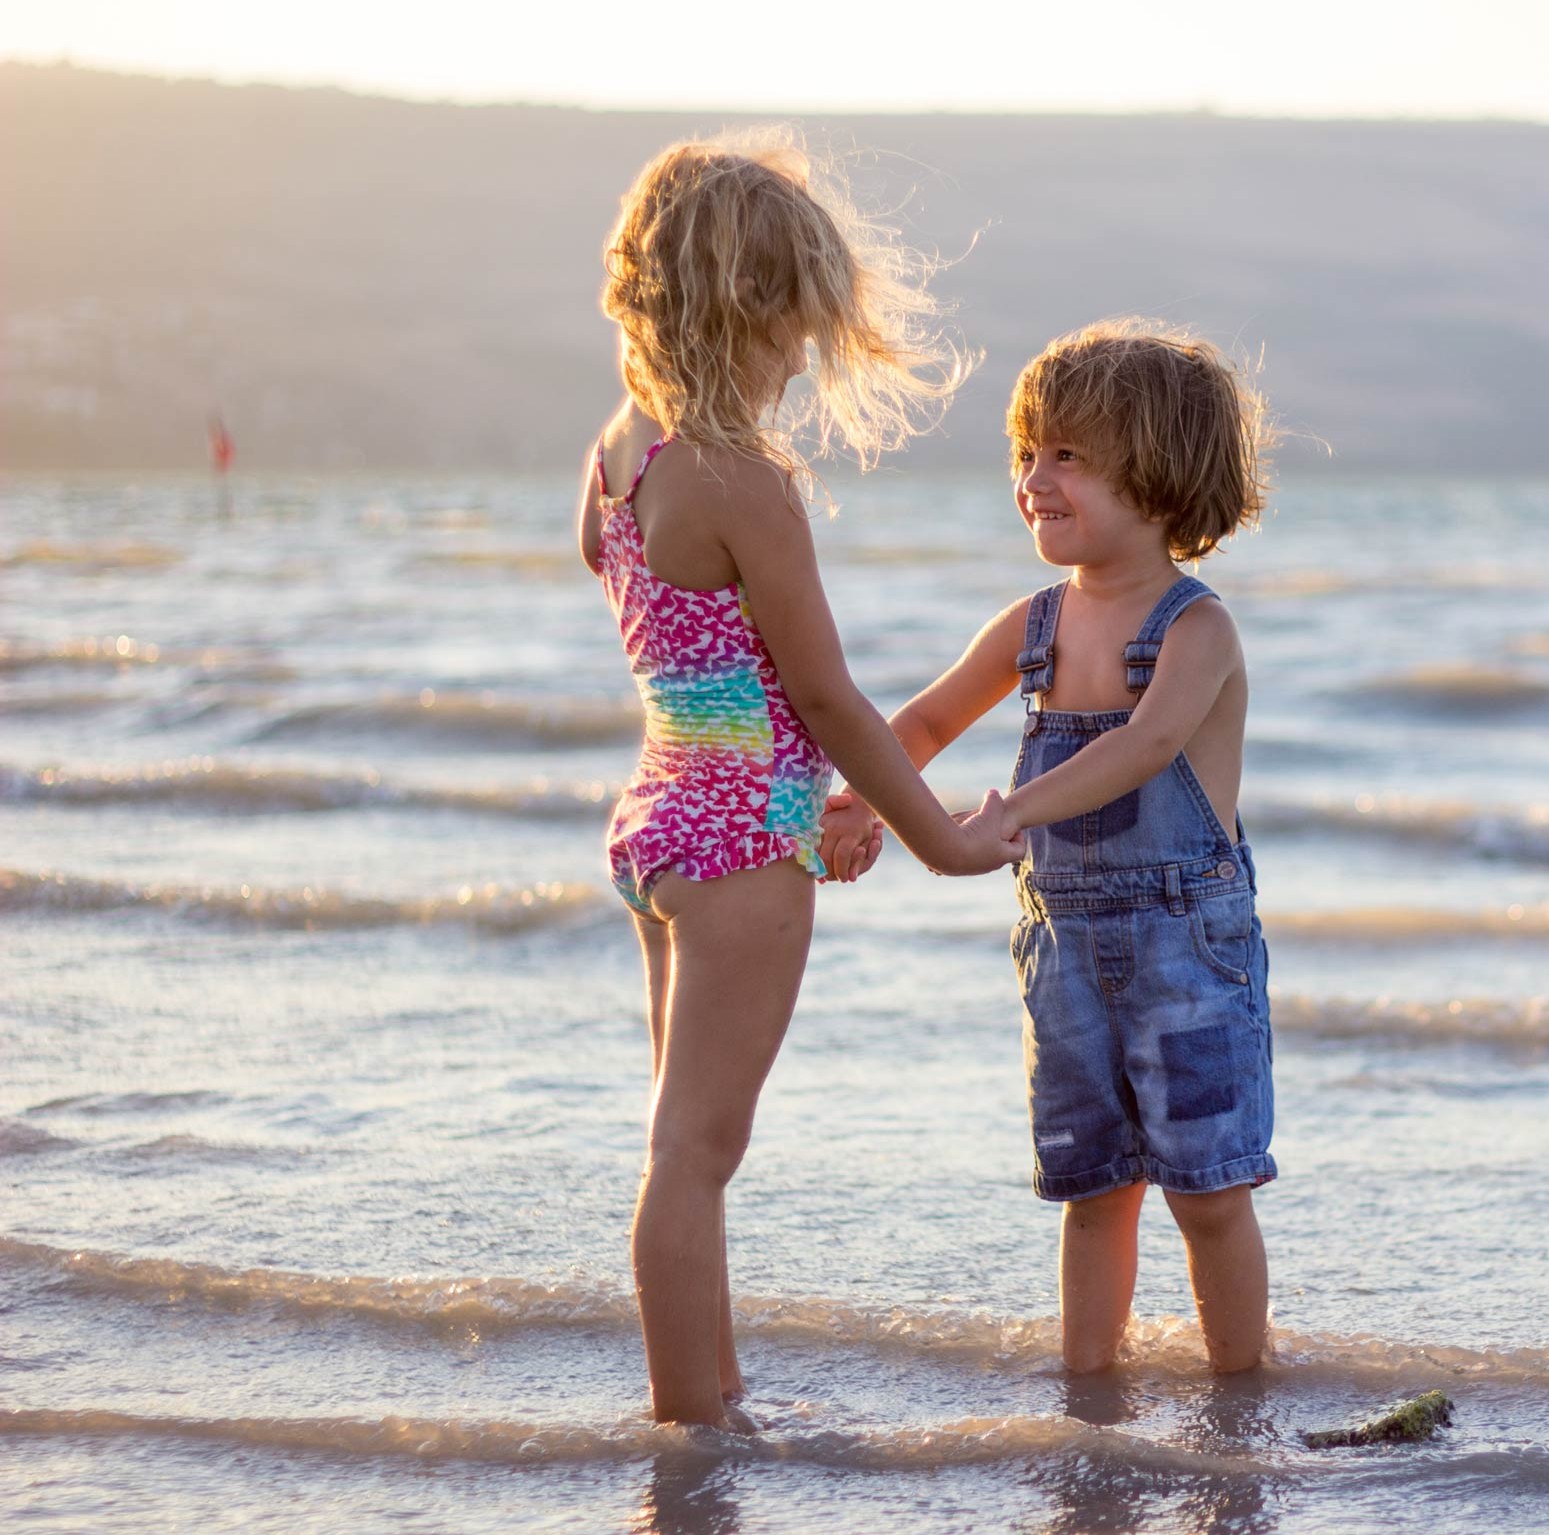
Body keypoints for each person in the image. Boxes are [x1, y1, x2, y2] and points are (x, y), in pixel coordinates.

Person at [577, 134, 1021, 1428]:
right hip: (736, 859)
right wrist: (938, 834)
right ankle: (690, 1432)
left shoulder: (623, 454)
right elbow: (823, 694)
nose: (800, 365)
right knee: (694, 1155)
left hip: (659, 822)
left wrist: (766, 774)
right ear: (751, 315)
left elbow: (642, 612)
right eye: (795, 334)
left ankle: (712, 1398)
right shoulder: (742, 483)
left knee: (687, 1149)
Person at [824, 318, 1279, 1373]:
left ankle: (1240, 1390)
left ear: (1160, 475)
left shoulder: (1195, 629)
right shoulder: (1030, 624)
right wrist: (862, 799)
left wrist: (1009, 814)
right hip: (1067, 954)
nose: (1035, 477)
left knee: (1208, 1191)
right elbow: (926, 724)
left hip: (1188, 952)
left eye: (1068, 454)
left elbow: (1145, 744)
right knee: (1092, 1188)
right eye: (1028, 453)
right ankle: (1090, 1390)